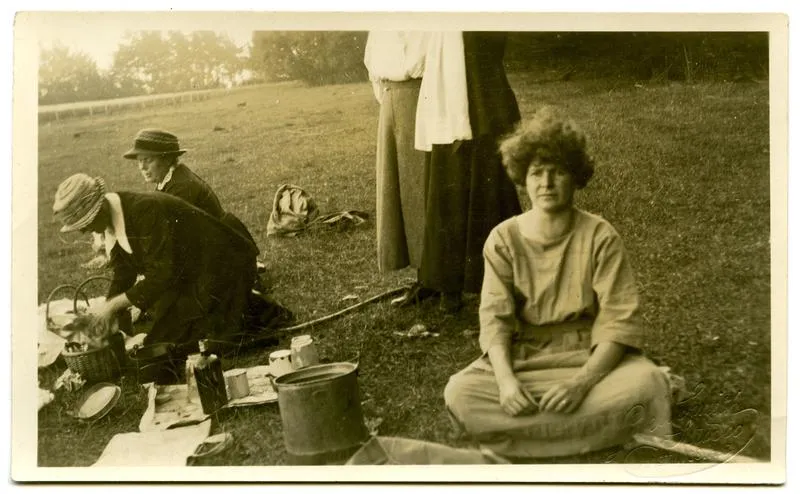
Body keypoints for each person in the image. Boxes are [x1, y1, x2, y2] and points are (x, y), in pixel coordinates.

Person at [443, 107, 673, 459]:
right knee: (461, 392)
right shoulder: (503, 239)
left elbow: (618, 320)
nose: (546, 184)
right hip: (524, 360)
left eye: (558, 172)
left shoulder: (600, 236)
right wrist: (506, 383)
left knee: (647, 384)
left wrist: (581, 383)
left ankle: (525, 435)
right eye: (537, 173)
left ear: (575, 177)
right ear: (523, 177)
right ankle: (597, 428)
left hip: (588, 358)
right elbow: (495, 320)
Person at [52, 173, 259, 357]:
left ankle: (246, 308)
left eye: (85, 224)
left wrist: (112, 306)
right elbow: (123, 272)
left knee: (195, 344)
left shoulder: (143, 209)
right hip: (189, 274)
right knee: (161, 342)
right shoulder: (112, 217)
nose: (83, 232)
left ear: (100, 209)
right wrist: (111, 316)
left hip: (223, 266)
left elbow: (162, 274)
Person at [391, 31, 522, 313]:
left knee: (488, 193)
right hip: (446, 102)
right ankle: (446, 283)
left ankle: (503, 282)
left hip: (482, 97)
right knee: (446, 189)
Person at [121, 128, 266, 280]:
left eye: (148, 160)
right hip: (208, 244)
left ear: (166, 159)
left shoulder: (182, 187)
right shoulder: (170, 179)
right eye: (139, 160)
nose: (142, 167)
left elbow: (174, 240)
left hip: (220, 250)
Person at [364, 31, 430, 289]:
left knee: (420, 184)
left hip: (421, 99)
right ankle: (421, 275)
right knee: (398, 187)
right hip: (391, 100)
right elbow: (373, 67)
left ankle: (436, 273)